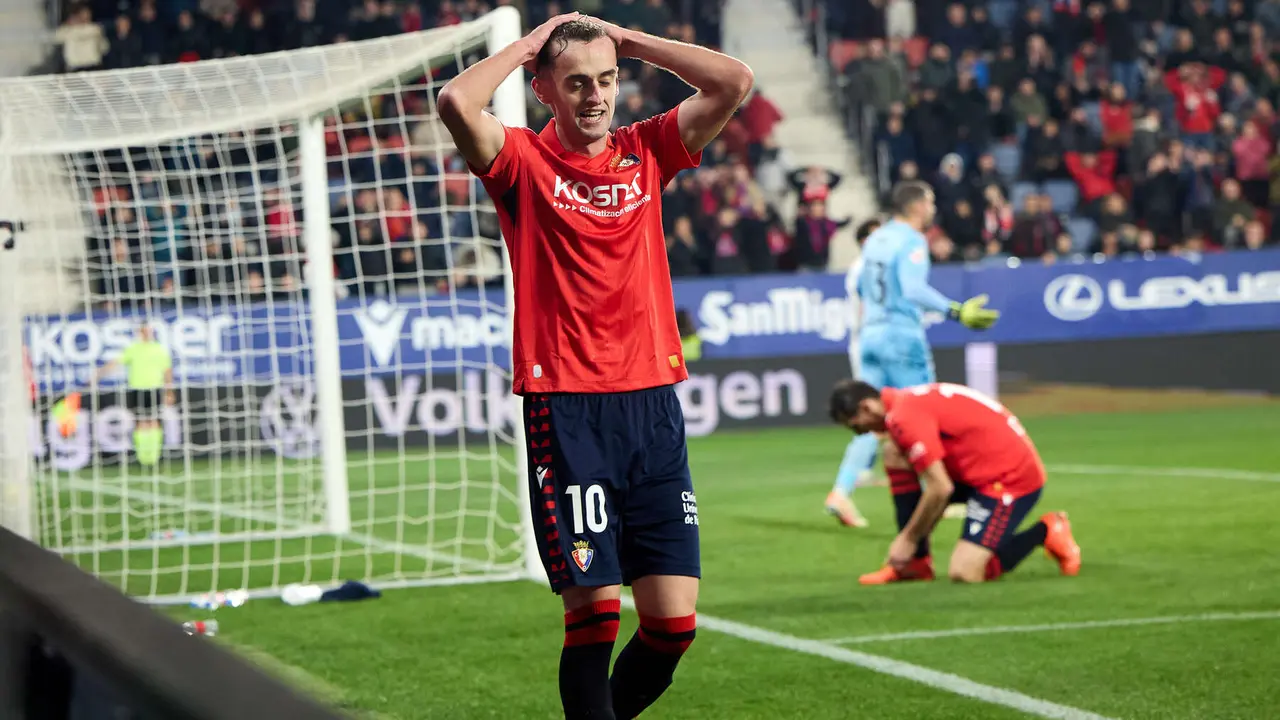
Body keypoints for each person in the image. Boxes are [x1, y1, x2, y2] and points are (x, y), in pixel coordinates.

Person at [437, 14, 753, 720]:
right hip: (569, 409)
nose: (596, 96)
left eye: (607, 80)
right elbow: (458, 103)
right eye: (576, 83)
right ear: (544, 89)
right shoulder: (519, 162)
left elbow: (734, 81)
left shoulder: (648, 152)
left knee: (673, 626)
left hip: (653, 405)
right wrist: (526, 45)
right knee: (596, 618)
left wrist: (629, 41)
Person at [823, 181, 999, 527]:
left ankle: (841, 491)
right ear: (918, 206)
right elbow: (913, 288)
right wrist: (955, 311)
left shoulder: (875, 240)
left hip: (870, 335)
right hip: (900, 337)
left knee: (871, 419)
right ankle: (942, 490)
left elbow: (860, 287)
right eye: (930, 201)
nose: (933, 208)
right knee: (927, 413)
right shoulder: (912, 241)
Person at [828, 380, 1082, 585]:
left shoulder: (904, 417)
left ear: (866, 408)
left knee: (966, 572)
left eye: (856, 426)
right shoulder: (905, 403)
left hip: (1007, 479)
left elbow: (940, 488)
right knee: (894, 453)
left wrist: (908, 538)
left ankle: (1048, 530)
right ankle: (916, 565)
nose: (862, 433)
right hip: (978, 470)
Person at [825, 218, 880, 527]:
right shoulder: (865, 268)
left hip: (869, 344)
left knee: (889, 421)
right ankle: (841, 492)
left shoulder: (866, 267)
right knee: (874, 420)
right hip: (874, 346)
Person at [93, 323, 173, 467]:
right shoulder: (133, 349)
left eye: (148, 330)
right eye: (143, 331)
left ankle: (154, 456)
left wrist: (169, 391)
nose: (146, 333)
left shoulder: (159, 349)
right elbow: (115, 363)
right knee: (141, 422)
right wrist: (99, 373)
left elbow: (167, 371)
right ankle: (143, 457)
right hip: (137, 389)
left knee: (154, 421)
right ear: (139, 332)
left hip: (154, 388)